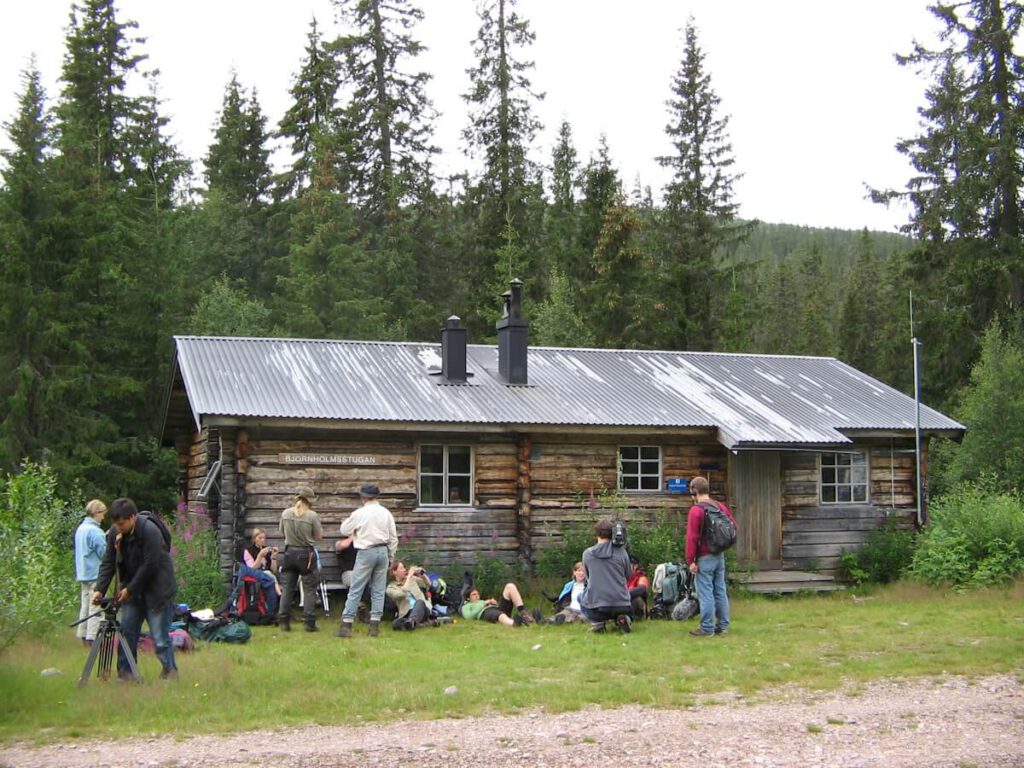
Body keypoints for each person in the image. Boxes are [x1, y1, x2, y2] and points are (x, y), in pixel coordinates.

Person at [92, 498, 177, 680]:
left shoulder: (150, 531)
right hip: (132, 590)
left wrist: (129, 589)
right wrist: (100, 588)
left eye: (122, 523)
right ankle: (126, 673)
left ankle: (170, 671)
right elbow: (108, 561)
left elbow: (150, 565)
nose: (118, 527)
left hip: (157, 589)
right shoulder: (116, 532)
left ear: (132, 517)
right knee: (127, 631)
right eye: (116, 524)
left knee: (159, 636)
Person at [335, 483, 399, 638]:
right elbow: (393, 537)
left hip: (366, 551)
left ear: (363, 497)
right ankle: (374, 625)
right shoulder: (385, 513)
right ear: (376, 497)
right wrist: (391, 556)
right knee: (378, 589)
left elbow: (344, 529)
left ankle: (347, 624)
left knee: (356, 587)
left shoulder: (360, 513)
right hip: (382, 550)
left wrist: (355, 529)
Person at [685, 476, 738, 637]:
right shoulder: (720, 506)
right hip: (719, 555)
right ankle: (722, 626)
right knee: (720, 590)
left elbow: (692, 537)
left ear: (694, 492)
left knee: (705, 592)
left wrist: (690, 560)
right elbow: (733, 527)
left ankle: (707, 627)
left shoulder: (696, 510)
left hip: (704, 556)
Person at [277, 487, 323, 632]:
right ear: (310, 501)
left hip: (289, 553)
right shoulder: (312, 516)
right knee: (309, 589)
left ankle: (284, 621)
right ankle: (309, 623)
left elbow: (282, 533)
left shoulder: (286, 513)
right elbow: (318, 536)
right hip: (306, 555)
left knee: (288, 588)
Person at [580, 518, 633, 633]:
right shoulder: (622, 552)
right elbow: (628, 575)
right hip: (622, 603)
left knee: (581, 596)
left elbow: (588, 577)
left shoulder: (587, 554)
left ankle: (598, 623)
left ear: (596, 533)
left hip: (598, 606)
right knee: (624, 603)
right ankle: (623, 619)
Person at [74, 499, 108, 647]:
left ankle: (83, 635)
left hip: (83, 573)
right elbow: (104, 553)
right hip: (95, 573)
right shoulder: (95, 531)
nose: (103, 517)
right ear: (97, 513)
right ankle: (93, 639)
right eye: (103, 514)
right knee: (96, 607)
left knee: (85, 606)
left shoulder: (81, 528)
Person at [229, 528, 280, 616]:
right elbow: (251, 569)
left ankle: (274, 606)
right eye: (260, 538)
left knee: (270, 574)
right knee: (269, 577)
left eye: (264, 538)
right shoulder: (248, 550)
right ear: (254, 539)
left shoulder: (266, 550)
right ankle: (277, 599)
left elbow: (273, 569)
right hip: (253, 574)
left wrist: (273, 557)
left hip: (266, 574)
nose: (262, 540)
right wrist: (260, 556)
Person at [460, 583, 534, 627]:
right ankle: (514, 624)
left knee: (510, 586)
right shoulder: (466, 606)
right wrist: (484, 604)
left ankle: (523, 613)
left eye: (478, 594)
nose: (477, 596)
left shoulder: (482, 601)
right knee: (500, 615)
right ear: (468, 598)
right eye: (474, 594)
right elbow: (468, 617)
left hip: (497, 609)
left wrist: (494, 604)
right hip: (485, 612)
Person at [386, 560, 432, 630]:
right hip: (407, 613)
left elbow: (428, 584)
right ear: (394, 572)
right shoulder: (390, 588)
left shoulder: (412, 579)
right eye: (401, 568)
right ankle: (417, 624)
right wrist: (409, 577)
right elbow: (402, 594)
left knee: (420, 602)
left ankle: (411, 622)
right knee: (395, 623)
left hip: (422, 609)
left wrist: (422, 575)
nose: (404, 570)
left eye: (404, 567)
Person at [627, 554, 650, 619]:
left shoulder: (641, 576)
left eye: (629, 564)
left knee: (637, 599)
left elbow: (642, 589)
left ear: (635, 566)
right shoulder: (623, 577)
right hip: (624, 602)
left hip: (633, 603)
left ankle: (639, 617)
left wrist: (625, 595)